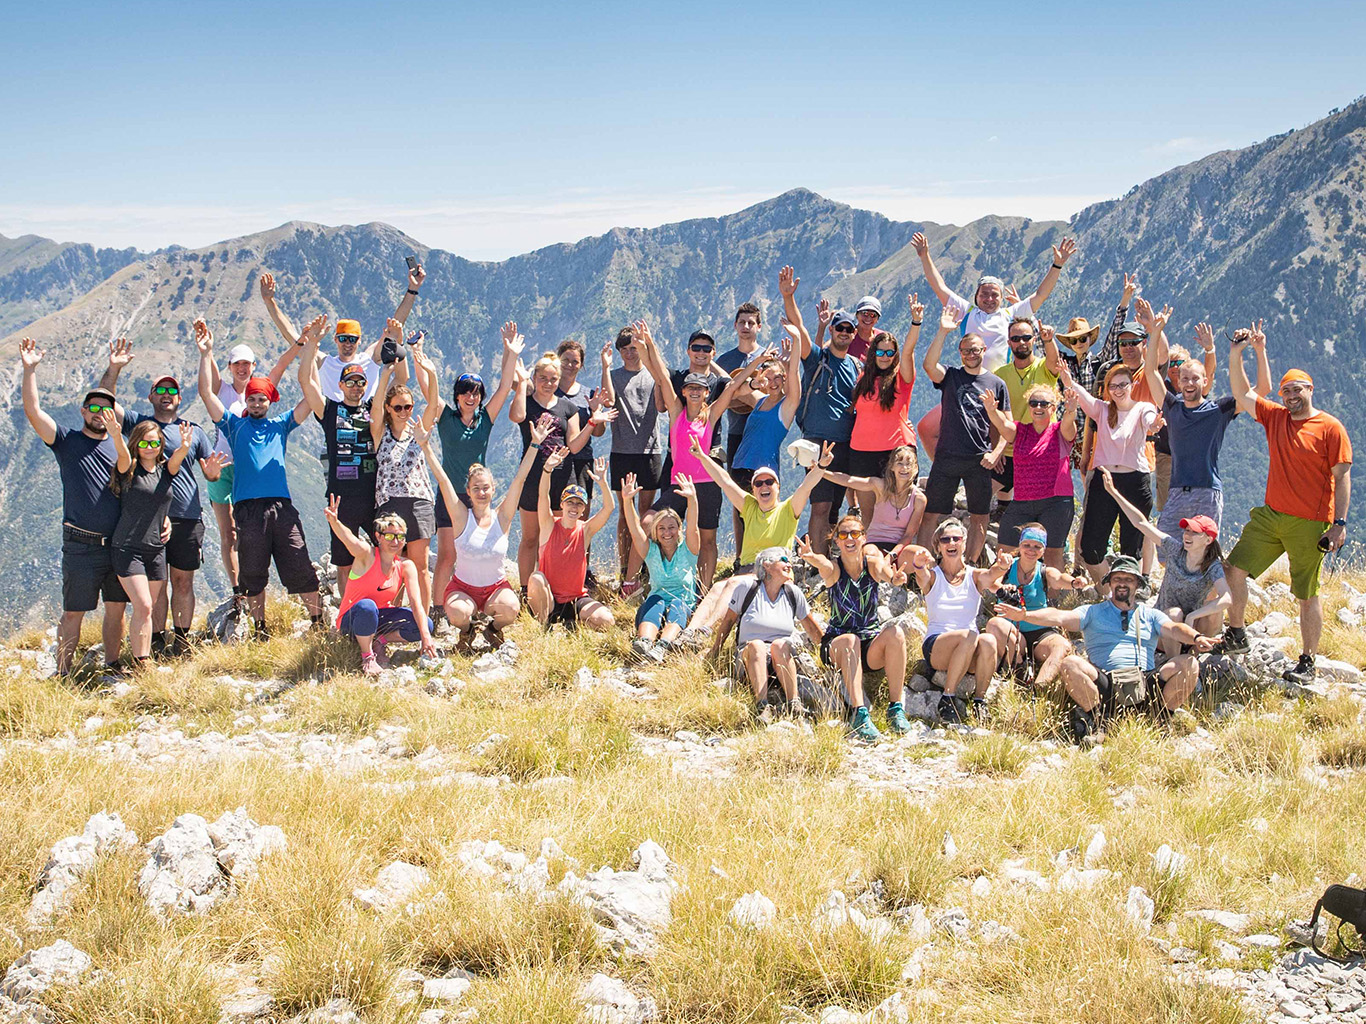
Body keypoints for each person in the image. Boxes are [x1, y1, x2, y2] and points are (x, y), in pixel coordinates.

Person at [1218, 328, 1352, 687]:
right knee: (1233, 569)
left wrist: (1338, 524)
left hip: (1309, 522)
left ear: (1311, 390)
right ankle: (1236, 632)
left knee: (1306, 594)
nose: (1292, 395)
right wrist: (1236, 353)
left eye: (1298, 389)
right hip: (1271, 515)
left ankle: (1308, 660)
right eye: (1287, 391)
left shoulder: (1330, 427)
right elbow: (1242, 393)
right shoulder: (1275, 417)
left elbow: (1341, 478)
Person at [994, 555, 1217, 745]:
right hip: (1106, 682)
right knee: (1071, 663)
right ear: (1109, 583)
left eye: (1128, 579)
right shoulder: (1092, 611)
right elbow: (1059, 616)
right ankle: (1099, 720)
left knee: (1189, 663)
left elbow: (1175, 629)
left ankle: (1161, 718)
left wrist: (1196, 637)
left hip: (1145, 680)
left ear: (1137, 585)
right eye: (1117, 579)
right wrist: (1025, 616)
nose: (1122, 583)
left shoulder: (1150, 614)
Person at [195, 319, 321, 636]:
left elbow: (311, 398)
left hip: (281, 506)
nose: (255, 402)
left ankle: (318, 623)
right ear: (246, 403)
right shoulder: (233, 427)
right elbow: (205, 394)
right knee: (252, 571)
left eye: (261, 398)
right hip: (248, 509)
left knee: (300, 564)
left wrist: (312, 352)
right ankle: (261, 627)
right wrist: (205, 354)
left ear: (269, 401)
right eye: (251, 399)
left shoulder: (281, 425)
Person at [911, 231, 1076, 456]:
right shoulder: (967, 313)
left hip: (1000, 387)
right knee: (927, 427)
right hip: (967, 386)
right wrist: (924, 256)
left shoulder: (1010, 314)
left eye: (994, 295)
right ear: (976, 296)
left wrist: (1057, 265)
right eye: (984, 294)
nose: (989, 299)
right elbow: (939, 286)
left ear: (1001, 298)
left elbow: (1040, 295)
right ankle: (944, 470)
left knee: (994, 435)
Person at [22, 337, 130, 675]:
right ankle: (64, 674)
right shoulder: (67, 442)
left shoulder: (120, 447)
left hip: (119, 543)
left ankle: (112, 667)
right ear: (83, 411)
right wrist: (29, 371)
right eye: (93, 408)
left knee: (116, 609)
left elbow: (141, 489)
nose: (99, 413)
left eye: (105, 410)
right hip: (80, 544)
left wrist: (113, 369)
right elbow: (33, 412)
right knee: (73, 613)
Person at [108, 372, 225, 656]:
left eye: (171, 390)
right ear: (150, 397)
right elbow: (108, 402)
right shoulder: (140, 425)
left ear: (179, 398)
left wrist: (213, 473)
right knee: (154, 586)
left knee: (183, 581)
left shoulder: (193, 431)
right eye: (159, 389)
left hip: (186, 516)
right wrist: (114, 369)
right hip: (148, 521)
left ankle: (182, 640)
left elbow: (209, 470)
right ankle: (157, 640)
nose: (166, 394)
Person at [198, 276, 299, 604]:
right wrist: (206, 349)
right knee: (227, 533)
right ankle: (237, 590)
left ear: (254, 366)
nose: (242, 369)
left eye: (247, 364)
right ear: (229, 367)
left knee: (245, 534)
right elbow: (206, 382)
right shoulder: (222, 389)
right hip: (222, 464)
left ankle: (250, 586)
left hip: (249, 470)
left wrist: (304, 343)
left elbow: (284, 363)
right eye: (237, 364)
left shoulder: (261, 389)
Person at [679, 440, 832, 642]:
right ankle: (689, 632)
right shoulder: (749, 506)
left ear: (778, 487)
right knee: (717, 588)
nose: (764, 486)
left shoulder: (788, 509)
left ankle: (704, 632)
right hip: (747, 571)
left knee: (732, 583)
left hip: (772, 573)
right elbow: (725, 481)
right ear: (753, 490)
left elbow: (806, 486)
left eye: (769, 482)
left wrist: (821, 466)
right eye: (758, 483)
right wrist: (702, 457)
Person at [635, 320, 747, 591]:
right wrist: (648, 344)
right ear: (688, 350)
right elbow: (659, 374)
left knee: (707, 535)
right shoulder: (678, 378)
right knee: (661, 525)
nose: (701, 351)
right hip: (678, 468)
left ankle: (703, 591)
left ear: (712, 351)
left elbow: (735, 389)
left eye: (706, 348)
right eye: (696, 347)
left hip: (708, 469)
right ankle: (663, 579)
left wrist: (759, 367)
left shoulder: (719, 384)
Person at [1143, 321, 1267, 539]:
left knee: (1204, 553)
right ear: (1178, 383)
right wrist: (1154, 333)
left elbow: (1262, 390)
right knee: (1166, 551)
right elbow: (1151, 371)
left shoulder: (1219, 410)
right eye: (1185, 379)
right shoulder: (1172, 407)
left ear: (1205, 381)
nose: (1189, 383)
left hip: (1207, 491)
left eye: (1195, 378)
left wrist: (1255, 351)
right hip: (1177, 491)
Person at [429, 321, 522, 609]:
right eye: (466, 392)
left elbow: (506, 386)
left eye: (476, 393)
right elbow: (428, 393)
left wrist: (510, 352)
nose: (472, 398)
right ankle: (438, 609)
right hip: (450, 496)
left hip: (478, 497)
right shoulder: (445, 417)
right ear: (457, 396)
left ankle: (478, 602)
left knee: (476, 553)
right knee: (447, 555)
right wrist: (424, 364)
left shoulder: (485, 420)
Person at [796, 517, 912, 741]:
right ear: (836, 542)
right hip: (837, 645)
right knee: (850, 641)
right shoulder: (834, 569)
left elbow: (885, 573)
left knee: (896, 633)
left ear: (864, 538)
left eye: (855, 533)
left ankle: (896, 709)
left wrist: (895, 579)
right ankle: (860, 714)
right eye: (843, 535)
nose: (849, 538)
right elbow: (823, 564)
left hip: (868, 646)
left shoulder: (872, 564)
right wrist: (811, 557)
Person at [437, 417, 547, 651]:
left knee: (511, 608)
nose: (481, 492)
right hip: (463, 589)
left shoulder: (502, 517)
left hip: (495, 589)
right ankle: (467, 632)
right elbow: (444, 481)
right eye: (476, 488)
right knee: (457, 613)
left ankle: (492, 630)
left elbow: (520, 479)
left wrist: (535, 445)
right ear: (468, 492)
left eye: (485, 487)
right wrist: (426, 447)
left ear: (493, 489)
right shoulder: (460, 517)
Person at [296, 315, 382, 608]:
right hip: (341, 498)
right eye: (350, 382)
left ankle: (382, 608)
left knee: (386, 554)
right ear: (341, 385)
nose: (356, 387)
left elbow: (398, 381)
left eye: (361, 382)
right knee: (344, 563)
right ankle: (348, 614)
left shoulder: (373, 410)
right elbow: (305, 381)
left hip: (372, 495)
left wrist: (396, 359)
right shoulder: (330, 411)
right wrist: (312, 344)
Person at [509, 350, 615, 587]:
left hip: (563, 478)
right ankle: (527, 590)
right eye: (543, 378)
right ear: (534, 378)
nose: (548, 383)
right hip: (533, 477)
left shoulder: (568, 408)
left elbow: (575, 446)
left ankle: (554, 587)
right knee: (530, 538)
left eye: (553, 379)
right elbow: (515, 416)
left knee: (557, 537)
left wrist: (592, 422)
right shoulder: (526, 403)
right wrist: (520, 382)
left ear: (559, 380)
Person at [1098, 469, 1230, 654]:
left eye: (1194, 532)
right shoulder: (1174, 549)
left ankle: (1195, 657)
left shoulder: (1212, 565)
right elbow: (1141, 523)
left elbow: (1227, 598)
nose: (1187, 535)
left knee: (1215, 612)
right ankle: (1174, 661)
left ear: (1208, 540)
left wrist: (1193, 615)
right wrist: (1113, 492)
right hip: (1163, 628)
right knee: (1174, 613)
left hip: (1192, 631)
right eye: (1186, 530)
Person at [917, 307, 1009, 562]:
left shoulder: (996, 384)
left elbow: (1007, 427)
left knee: (980, 516)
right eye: (966, 350)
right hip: (946, 456)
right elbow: (928, 365)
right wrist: (943, 331)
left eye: (975, 350)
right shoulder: (951, 376)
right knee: (931, 513)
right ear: (960, 353)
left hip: (979, 459)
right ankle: (923, 568)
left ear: (984, 351)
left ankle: (966, 567)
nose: (971, 354)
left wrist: (996, 453)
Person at [105, 413, 193, 667]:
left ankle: (144, 656)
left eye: (155, 443)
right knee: (143, 605)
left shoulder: (166, 471)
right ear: (136, 444)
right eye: (144, 443)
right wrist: (114, 434)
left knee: (151, 606)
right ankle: (141, 661)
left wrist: (185, 446)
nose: (150, 448)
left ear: (161, 445)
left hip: (156, 549)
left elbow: (177, 459)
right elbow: (122, 453)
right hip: (128, 548)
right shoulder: (128, 468)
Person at [903, 519, 1012, 724]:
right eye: (945, 539)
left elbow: (991, 575)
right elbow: (921, 574)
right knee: (970, 635)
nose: (951, 543)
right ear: (938, 546)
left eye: (956, 538)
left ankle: (979, 700)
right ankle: (948, 697)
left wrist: (1002, 566)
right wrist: (918, 563)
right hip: (938, 646)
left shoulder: (974, 576)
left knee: (988, 641)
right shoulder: (934, 576)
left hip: (969, 647)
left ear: (964, 543)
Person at [261, 263, 422, 401]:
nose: (347, 343)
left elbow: (395, 327)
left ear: (359, 341)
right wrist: (270, 301)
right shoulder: (325, 363)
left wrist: (412, 289)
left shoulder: (370, 359)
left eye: (352, 339)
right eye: (343, 338)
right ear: (335, 339)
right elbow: (291, 335)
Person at [1062, 358, 1159, 583]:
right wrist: (1068, 380)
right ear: (1107, 389)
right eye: (1113, 386)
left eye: (1123, 384)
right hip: (1104, 480)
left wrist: (1156, 425)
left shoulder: (1143, 408)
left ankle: (1132, 591)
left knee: (1131, 545)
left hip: (1135, 481)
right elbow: (1081, 395)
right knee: (1091, 548)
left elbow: (1150, 421)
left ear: (1132, 385)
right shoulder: (1102, 409)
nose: (1118, 390)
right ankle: (1109, 588)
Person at [368, 322, 442, 614]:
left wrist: (432, 374)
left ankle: (423, 619)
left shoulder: (418, 429)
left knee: (420, 565)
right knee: (393, 565)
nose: (403, 412)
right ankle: (392, 616)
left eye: (407, 407)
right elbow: (374, 411)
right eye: (398, 407)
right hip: (389, 504)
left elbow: (434, 405)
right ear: (389, 408)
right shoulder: (380, 433)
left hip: (420, 501)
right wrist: (385, 377)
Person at [708, 546, 824, 718]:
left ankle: (794, 704)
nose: (790, 565)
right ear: (766, 565)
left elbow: (812, 628)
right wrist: (716, 649)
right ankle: (762, 706)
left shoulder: (793, 593)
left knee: (780, 644)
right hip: (749, 658)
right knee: (757, 645)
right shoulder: (747, 587)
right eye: (784, 560)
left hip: (782, 657)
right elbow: (729, 621)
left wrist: (827, 654)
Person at [325, 500, 437, 677]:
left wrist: (426, 637)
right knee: (367, 606)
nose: (396, 541)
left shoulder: (405, 565)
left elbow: (416, 603)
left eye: (400, 536)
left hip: (379, 618)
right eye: (390, 536)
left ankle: (379, 640)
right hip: (353, 620)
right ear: (378, 536)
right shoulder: (367, 555)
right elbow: (350, 540)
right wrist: (335, 522)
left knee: (425, 624)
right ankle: (368, 656)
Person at [979, 385, 1077, 570]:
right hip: (1022, 501)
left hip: (1056, 502)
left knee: (1052, 555)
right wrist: (992, 411)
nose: (1038, 407)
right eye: (1034, 403)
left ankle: (1052, 599)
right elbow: (1003, 425)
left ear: (1053, 408)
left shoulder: (1059, 431)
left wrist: (1071, 410)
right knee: (1005, 549)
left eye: (1044, 404)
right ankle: (1006, 592)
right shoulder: (1020, 430)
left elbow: (1069, 426)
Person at [599, 325, 665, 593]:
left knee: (647, 515)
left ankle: (645, 568)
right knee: (626, 516)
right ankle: (625, 569)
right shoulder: (613, 377)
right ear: (619, 352)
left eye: (633, 348)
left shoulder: (652, 375)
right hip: (622, 452)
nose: (629, 353)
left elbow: (662, 405)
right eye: (624, 349)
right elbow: (608, 402)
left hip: (650, 451)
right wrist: (604, 368)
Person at [798, 298, 863, 552]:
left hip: (845, 443)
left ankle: (829, 553)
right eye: (840, 328)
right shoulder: (818, 358)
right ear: (832, 330)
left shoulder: (856, 365)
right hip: (817, 441)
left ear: (854, 334)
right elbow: (803, 336)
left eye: (849, 329)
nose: (844, 333)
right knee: (820, 504)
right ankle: (818, 559)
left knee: (835, 504)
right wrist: (790, 298)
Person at [991, 524, 1088, 693]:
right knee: (994, 624)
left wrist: (1073, 582)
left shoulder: (1044, 572)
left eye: (1037, 546)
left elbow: (1058, 578)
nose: (1031, 550)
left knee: (1061, 646)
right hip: (1011, 629)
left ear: (1043, 550)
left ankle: (1039, 687)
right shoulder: (1006, 567)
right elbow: (990, 580)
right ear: (1020, 546)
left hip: (1040, 630)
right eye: (1027, 545)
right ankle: (1020, 672)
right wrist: (1001, 582)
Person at [847, 294, 922, 515]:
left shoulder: (902, 378)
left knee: (897, 512)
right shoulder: (863, 379)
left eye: (890, 352)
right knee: (868, 515)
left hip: (895, 451)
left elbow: (908, 351)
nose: (885, 356)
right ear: (873, 354)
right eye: (880, 351)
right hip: (861, 451)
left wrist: (916, 322)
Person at [527, 452, 616, 631]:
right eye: (570, 502)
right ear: (562, 505)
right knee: (536, 578)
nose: (574, 507)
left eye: (578, 504)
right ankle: (546, 625)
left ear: (583, 509)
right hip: (549, 599)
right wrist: (547, 470)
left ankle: (573, 623)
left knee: (607, 620)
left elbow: (609, 508)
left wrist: (602, 482)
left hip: (576, 599)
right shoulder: (549, 525)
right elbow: (543, 496)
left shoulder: (585, 530)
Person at [621, 472, 700, 663]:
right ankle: (644, 643)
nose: (667, 533)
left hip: (682, 603)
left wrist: (692, 498)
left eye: (671, 527)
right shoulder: (651, 551)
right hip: (657, 601)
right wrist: (627, 501)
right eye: (662, 528)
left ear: (678, 528)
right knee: (654, 602)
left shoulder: (688, 549)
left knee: (677, 606)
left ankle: (662, 646)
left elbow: (694, 526)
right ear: (655, 531)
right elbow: (634, 529)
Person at [818, 445, 925, 566]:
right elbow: (849, 480)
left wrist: (891, 556)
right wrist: (821, 471)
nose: (904, 468)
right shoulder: (880, 486)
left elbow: (909, 535)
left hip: (899, 549)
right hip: (874, 544)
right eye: (900, 463)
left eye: (908, 464)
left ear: (915, 468)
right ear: (892, 467)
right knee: (873, 555)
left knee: (922, 556)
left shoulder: (919, 499)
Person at [717, 302, 767, 559]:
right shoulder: (724, 361)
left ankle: (764, 552)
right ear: (735, 326)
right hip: (737, 434)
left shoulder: (769, 359)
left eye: (751, 323)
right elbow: (721, 397)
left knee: (766, 494)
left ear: (759, 327)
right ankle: (741, 555)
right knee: (740, 499)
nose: (746, 327)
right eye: (742, 322)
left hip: (763, 434)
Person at [1149, 331, 1217, 514]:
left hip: (1194, 458)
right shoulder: (1164, 389)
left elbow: (1208, 376)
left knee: (1196, 508)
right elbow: (1151, 373)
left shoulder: (1195, 391)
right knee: (1167, 506)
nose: (1175, 367)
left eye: (1180, 362)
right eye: (1171, 363)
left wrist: (1210, 350)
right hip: (1166, 455)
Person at [995, 318, 1063, 499]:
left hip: (1043, 448)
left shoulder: (1043, 367)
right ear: (1009, 343)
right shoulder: (1000, 375)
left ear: (1034, 340)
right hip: (1011, 449)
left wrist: (1049, 341)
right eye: (1016, 339)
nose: (1022, 342)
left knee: (1040, 499)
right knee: (982, 495)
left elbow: (1054, 361)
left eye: (1026, 337)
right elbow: (994, 414)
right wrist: (996, 448)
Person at [556, 337, 607, 498]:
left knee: (580, 516)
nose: (570, 365)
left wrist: (594, 412)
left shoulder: (589, 395)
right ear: (558, 361)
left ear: (581, 365)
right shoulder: (548, 392)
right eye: (566, 360)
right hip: (555, 460)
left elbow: (598, 432)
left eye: (575, 361)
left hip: (582, 461)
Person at [848, 295, 882, 361]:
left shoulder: (882, 338)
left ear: (877, 319)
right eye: (865, 313)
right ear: (857, 315)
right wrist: (822, 328)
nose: (868, 318)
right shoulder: (847, 334)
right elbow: (825, 350)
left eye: (873, 315)